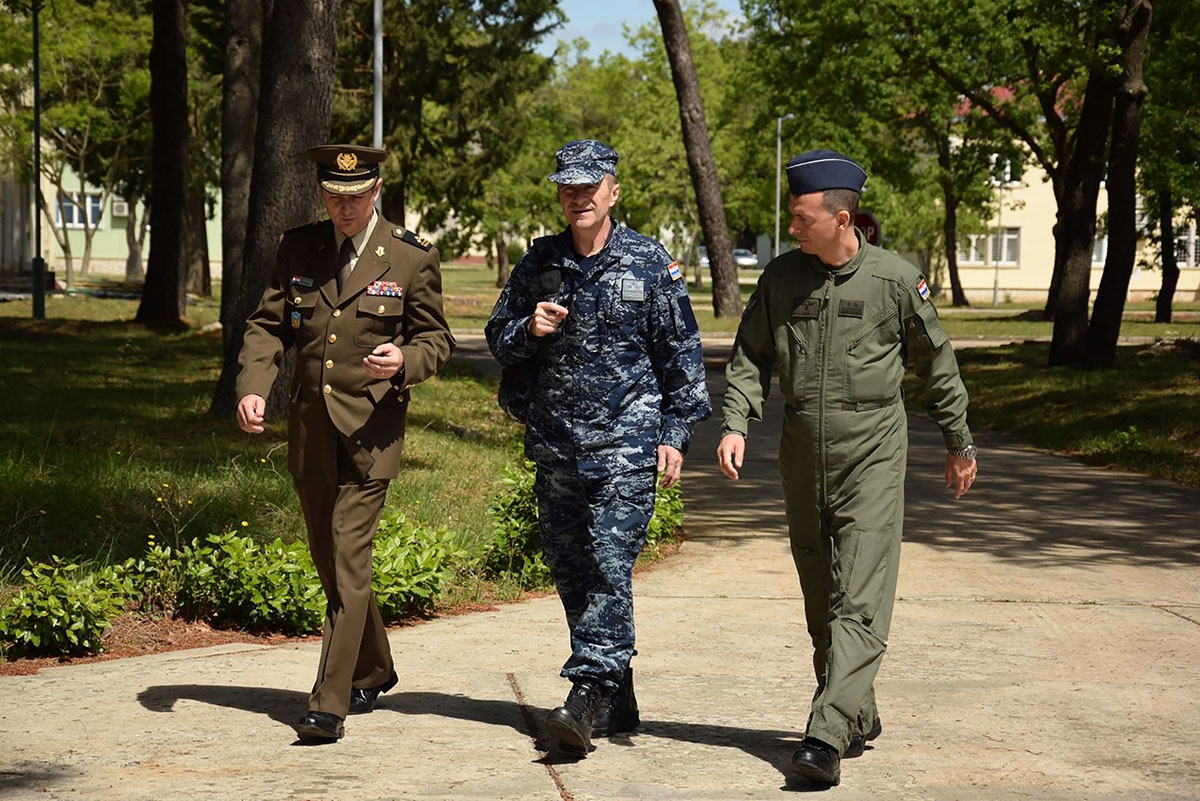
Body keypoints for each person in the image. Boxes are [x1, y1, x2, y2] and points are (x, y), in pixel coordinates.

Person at [715, 148, 978, 785]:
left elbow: (937, 364)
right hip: (802, 458)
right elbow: (751, 356)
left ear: (842, 217)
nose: (792, 227)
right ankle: (856, 709)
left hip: (873, 458)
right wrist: (734, 421)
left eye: (802, 217)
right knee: (819, 601)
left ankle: (825, 734)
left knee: (859, 596)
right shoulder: (780, 279)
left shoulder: (894, 280)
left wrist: (958, 440)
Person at [485, 139, 711, 756]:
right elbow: (497, 344)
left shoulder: (648, 263)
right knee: (572, 571)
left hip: (626, 446)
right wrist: (527, 328)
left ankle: (585, 694)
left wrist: (675, 434)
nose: (578, 197)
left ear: (613, 190)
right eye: (568, 188)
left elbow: (681, 357)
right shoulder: (539, 265)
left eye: (589, 187)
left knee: (611, 568)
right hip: (557, 446)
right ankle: (619, 694)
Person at [236, 144, 454, 742]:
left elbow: (437, 341)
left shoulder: (411, 258)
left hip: (371, 433)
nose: (345, 207)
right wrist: (256, 385)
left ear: (376, 190)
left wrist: (403, 360)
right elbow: (267, 325)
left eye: (355, 197)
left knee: (346, 554)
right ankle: (376, 667)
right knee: (328, 561)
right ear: (322, 195)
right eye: (334, 196)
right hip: (312, 431)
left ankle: (329, 703)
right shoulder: (298, 247)